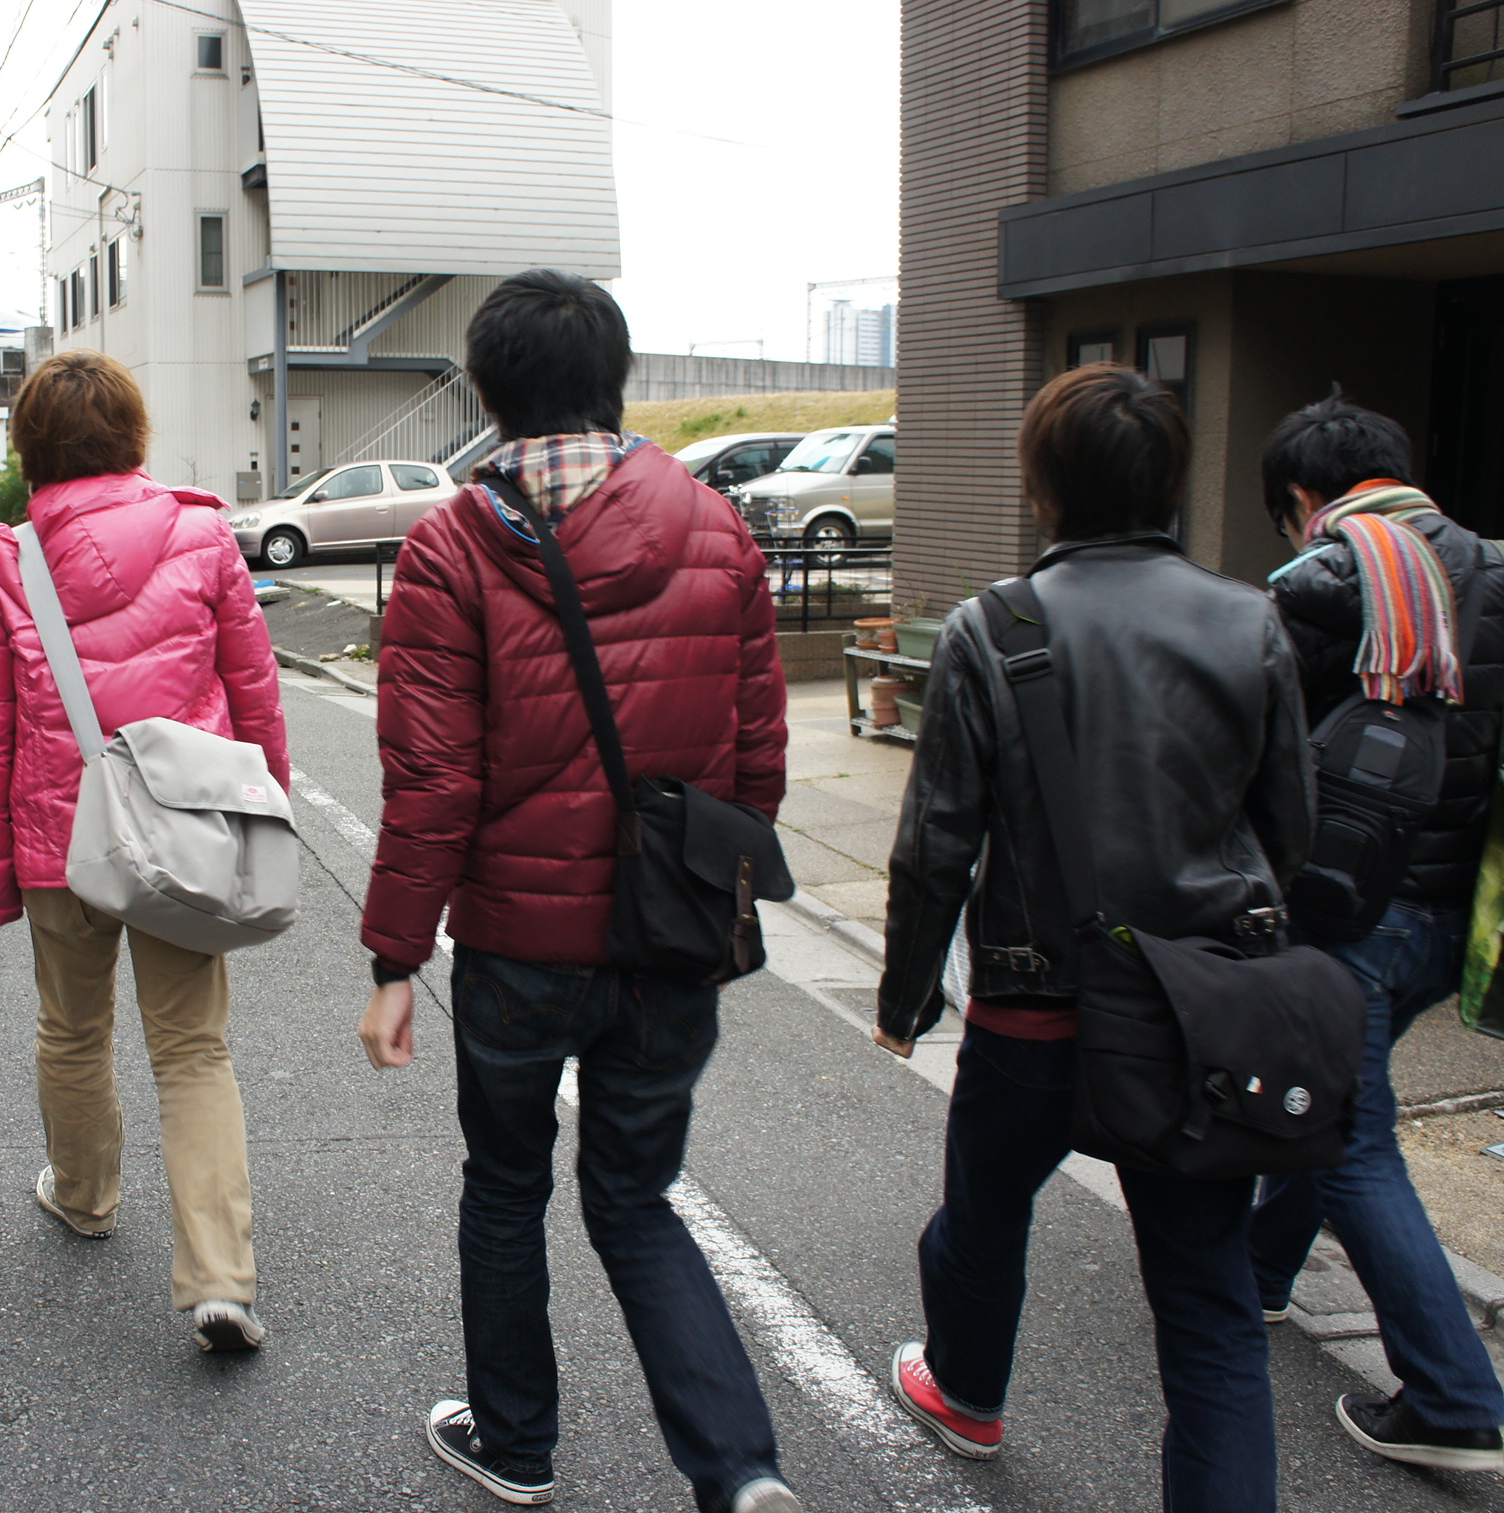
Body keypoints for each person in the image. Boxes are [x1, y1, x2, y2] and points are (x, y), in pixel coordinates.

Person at [356, 270, 798, 1513]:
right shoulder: (715, 529)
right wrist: (713, 887)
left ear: (487, 392)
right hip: (670, 936)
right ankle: (739, 1468)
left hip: (517, 947)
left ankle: (515, 1441)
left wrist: (394, 960)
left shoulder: (451, 545)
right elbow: (758, 757)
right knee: (634, 1196)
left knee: (506, 1188)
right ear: (615, 381)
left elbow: (432, 780)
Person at [874, 365, 1311, 1512]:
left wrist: (904, 998)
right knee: (1207, 1300)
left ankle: (966, 1390)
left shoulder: (993, 625)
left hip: (1032, 1009)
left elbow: (936, 842)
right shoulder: (1248, 619)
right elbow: (1286, 828)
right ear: (1171, 481)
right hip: (1192, 1013)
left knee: (982, 1216)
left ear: (1042, 485)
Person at [0, 349, 288, 1353]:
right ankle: (220, 1280)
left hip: (60, 842)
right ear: (134, 435)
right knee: (192, 1047)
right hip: (183, 833)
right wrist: (261, 817)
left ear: (31, 448)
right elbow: (255, 690)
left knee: (71, 1028)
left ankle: (84, 1196)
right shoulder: (201, 533)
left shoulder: (5, 559)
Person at [1247, 393, 1504, 1471]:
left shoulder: (1325, 580)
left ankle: (1454, 1398)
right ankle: (1261, 1272)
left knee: (1350, 1135)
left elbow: (1257, 745)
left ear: (1303, 495)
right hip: (1462, 917)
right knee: (1334, 1098)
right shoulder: (1495, 566)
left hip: (1356, 908)